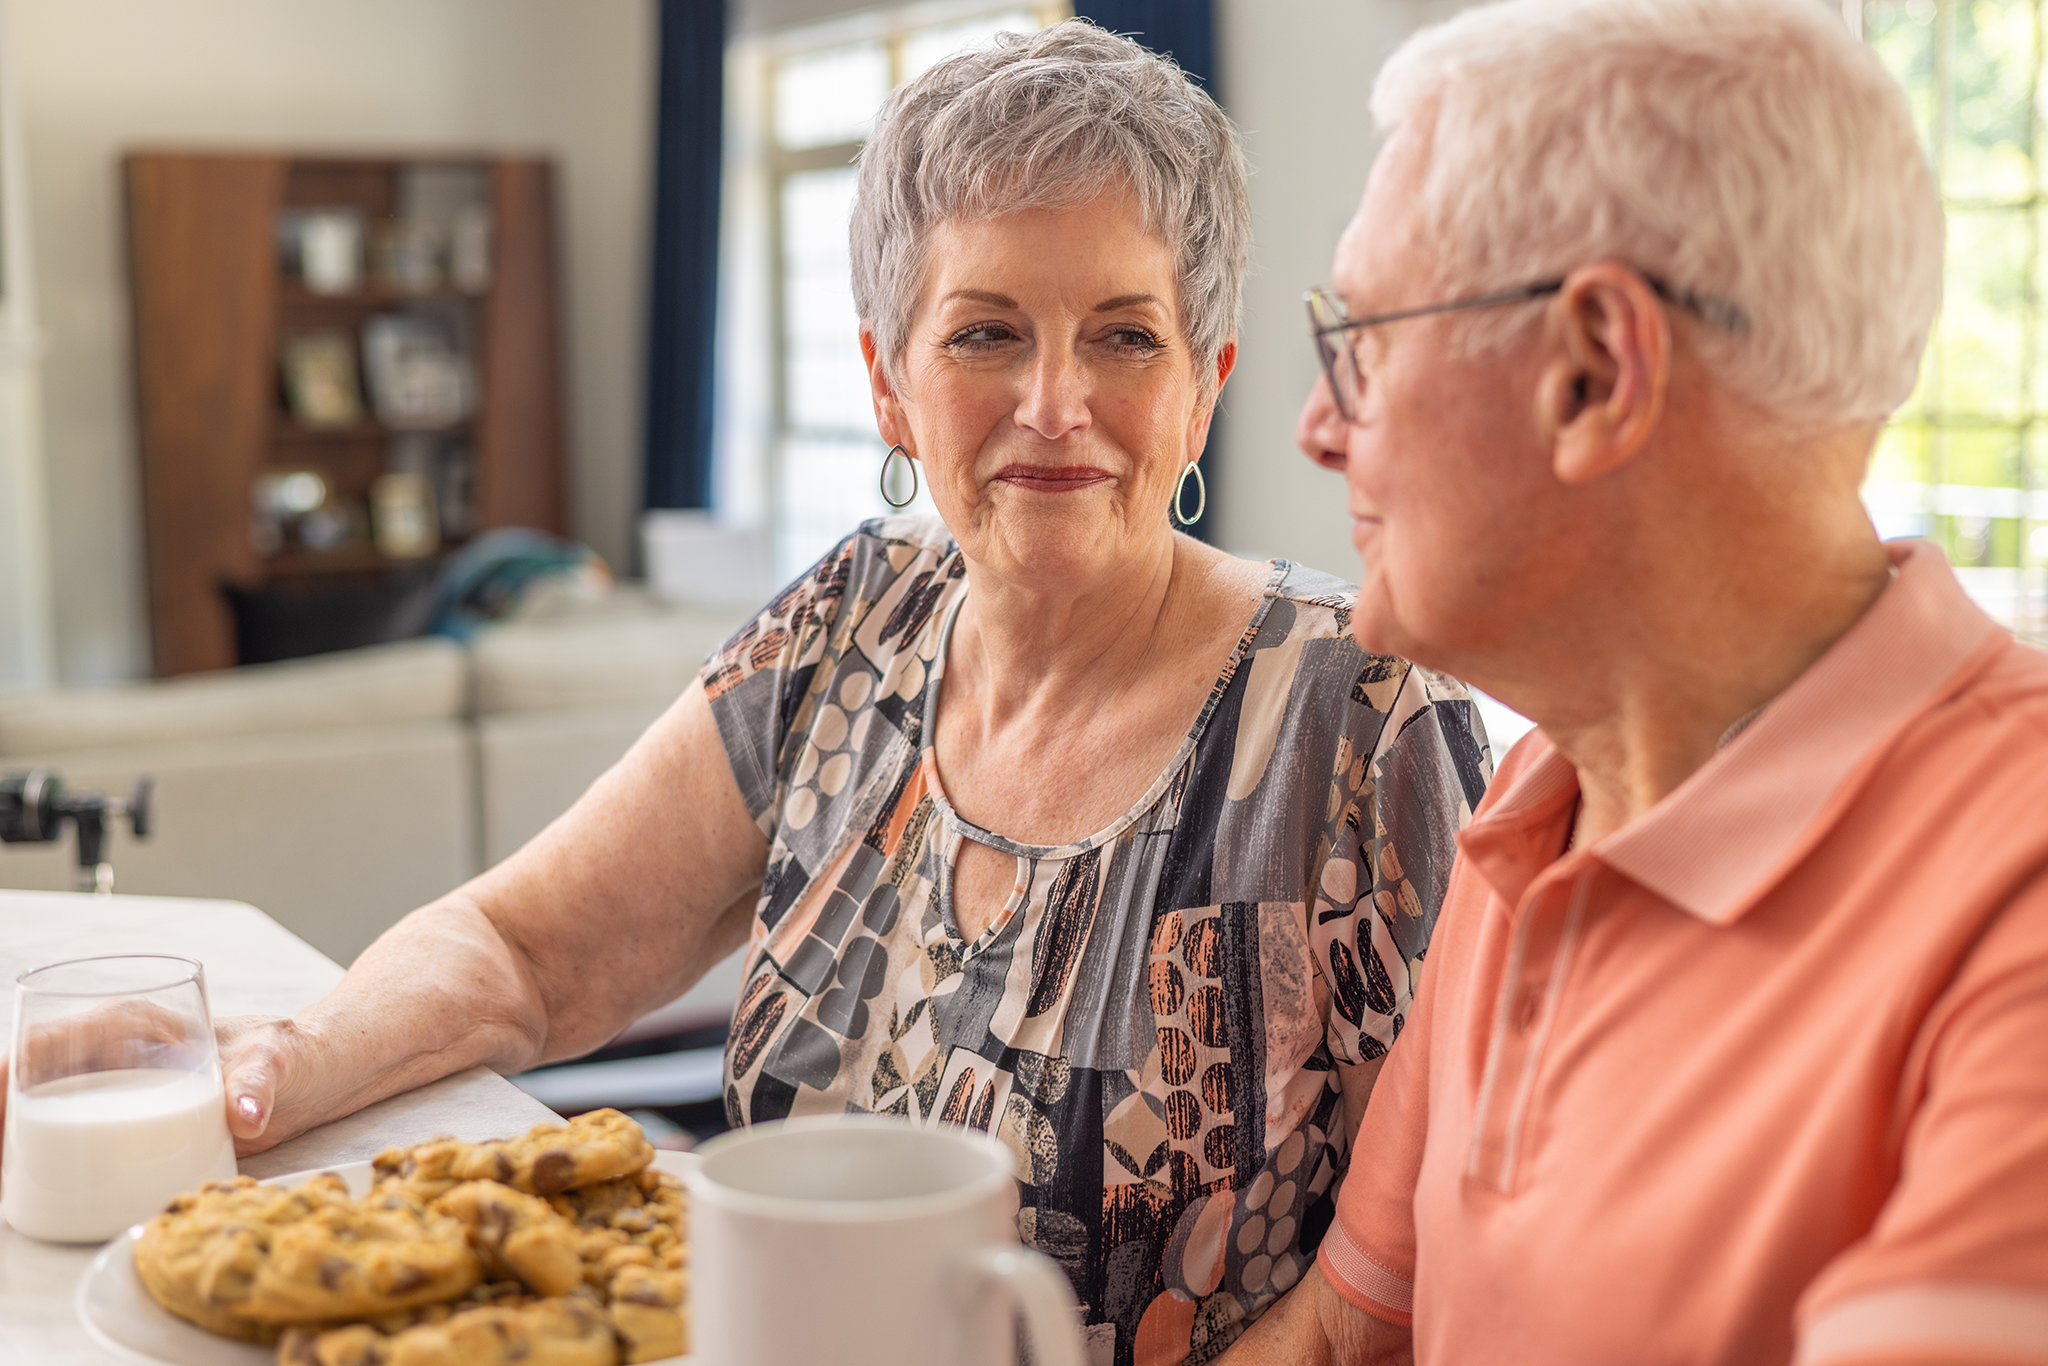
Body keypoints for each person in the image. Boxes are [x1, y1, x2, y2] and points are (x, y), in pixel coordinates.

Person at [183, 22, 1487, 1365]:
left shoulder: (1365, 709)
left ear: (1201, 388)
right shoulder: (845, 627)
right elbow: (527, 951)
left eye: (1124, 336)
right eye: (985, 333)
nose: (1055, 402)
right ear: (888, 385)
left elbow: (1412, 1275)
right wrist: (273, 1068)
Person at [1217, 1, 2048, 1364]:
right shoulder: (1539, 812)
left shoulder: (2017, 887)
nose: (1318, 426)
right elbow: (1337, 1343)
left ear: (1595, 372)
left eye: (1360, 342)